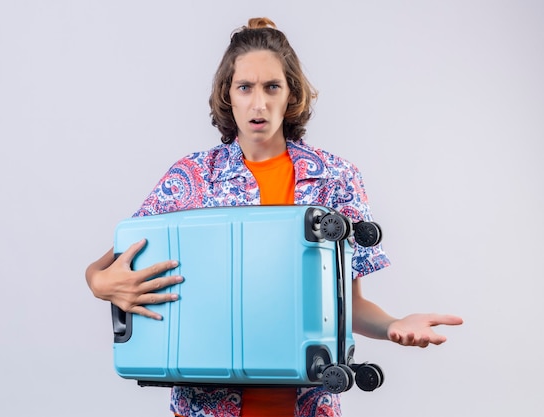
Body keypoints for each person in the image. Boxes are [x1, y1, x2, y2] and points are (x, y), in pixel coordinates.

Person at [86, 17, 463, 417]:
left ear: (291, 95)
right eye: (245, 87)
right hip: (205, 408)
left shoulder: (335, 179)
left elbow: (344, 306)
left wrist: (393, 325)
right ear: (228, 95)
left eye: (272, 87)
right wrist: (100, 283)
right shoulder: (193, 177)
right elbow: (110, 262)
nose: (259, 103)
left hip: (307, 406)